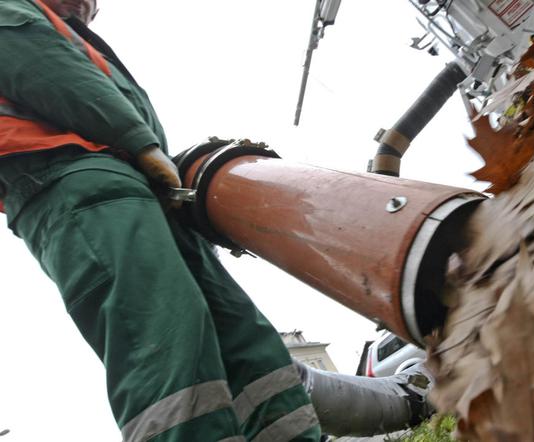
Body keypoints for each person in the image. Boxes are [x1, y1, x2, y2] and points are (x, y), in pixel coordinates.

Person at [0, 0, 321, 440]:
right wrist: (140, 143)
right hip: (68, 180)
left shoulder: (60, 28)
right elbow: (48, 71)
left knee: (238, 330)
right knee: (163, 334)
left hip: (135, 184)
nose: (90, 6)